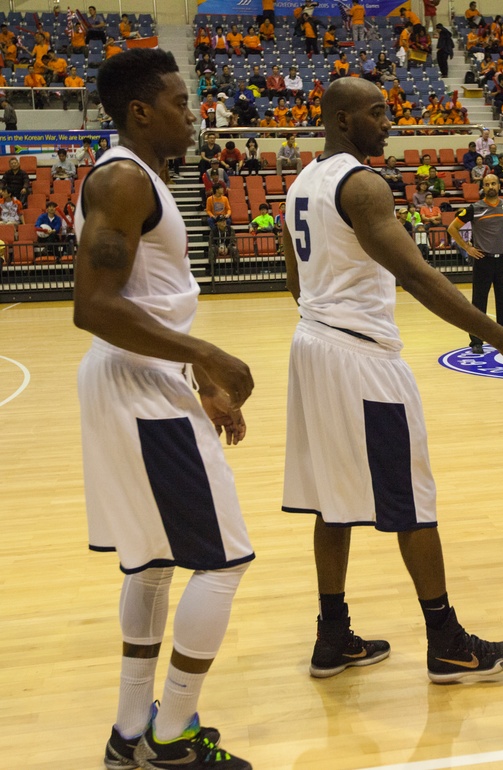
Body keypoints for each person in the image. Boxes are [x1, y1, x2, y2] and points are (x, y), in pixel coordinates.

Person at [281, 79, 503, 688]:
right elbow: (419, 275)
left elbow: (296, 282)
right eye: (378, 112)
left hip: (312, 346)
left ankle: (332, 637)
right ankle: (448, 643)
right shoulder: (362, 183)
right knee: (412, 499)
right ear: (344, 119)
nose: (390, 120)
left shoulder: (301, 184)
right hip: (361, 358)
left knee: (333, 500)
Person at [72, 48, 254, 770]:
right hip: (140, 390)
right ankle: (173, 735)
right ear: (142, 111)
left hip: (137, 380)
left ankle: (127, 732)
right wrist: (206, 355)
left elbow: (141, 299)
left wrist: (197, 374)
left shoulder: (138, 178)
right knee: (223, 560)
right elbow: (94, 305)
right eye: (181, 101)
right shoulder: (121, 179)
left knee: (149, 565)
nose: (193, 112)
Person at [447, 173, 503, 354]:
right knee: (479, 303)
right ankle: (476, 341)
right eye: (487, 184)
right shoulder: (475, 208)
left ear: (499, 186)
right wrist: (467, 247)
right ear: (483, 187)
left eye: (493, 183)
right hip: (483, 261)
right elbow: (452, 228)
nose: (491, 186)